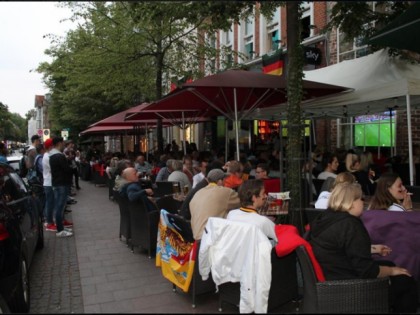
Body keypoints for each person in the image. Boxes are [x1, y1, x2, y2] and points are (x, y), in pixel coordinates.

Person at [308, 182, 418, 313]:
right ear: (351, 202)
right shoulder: (351, 225)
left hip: (333, 275)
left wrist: (372, 249)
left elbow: (337, 246)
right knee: (405, 279)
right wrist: (392, 271)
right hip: (351, 286)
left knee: (390, 264)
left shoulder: (325, 218)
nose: (363, 202)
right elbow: (368, 271)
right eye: (361, 199)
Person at [190, 169, 240, 240]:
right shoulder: (225, 192)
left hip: (196, 238)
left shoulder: (198, 193)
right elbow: (244, 202)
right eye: (224, 180)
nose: (225, 183)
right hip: (211, 240)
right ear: (220, 181)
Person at [227, 179, 277, 245]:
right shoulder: (263, 221)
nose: (266, 196)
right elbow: (279, 236)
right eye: (263, 193)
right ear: (254, 198)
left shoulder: (231, 214)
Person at [49, 136, 73, 237]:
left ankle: (60, 226)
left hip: (57, 183)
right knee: (60, 207)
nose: (64, 145)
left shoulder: (52, 155)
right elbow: (66, 169)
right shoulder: (59, 156)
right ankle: (60, 230)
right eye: (63, 143)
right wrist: (71, 169)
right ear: (59, 143)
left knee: (59, 206)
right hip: (62, 183)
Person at [42, 138, 57, 232]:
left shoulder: (48, 155)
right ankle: (49, 223)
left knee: (51, 203)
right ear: (51, 147)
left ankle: (50, 221)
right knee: (50, 203)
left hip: (49, 182)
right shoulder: (48, 157)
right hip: (49, 183)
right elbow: (53, 170)